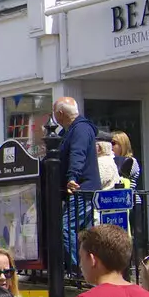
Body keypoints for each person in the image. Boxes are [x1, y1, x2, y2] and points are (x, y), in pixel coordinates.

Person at [54, 96, 100, 267]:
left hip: (81, 188)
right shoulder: (69, 131)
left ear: (60, 113)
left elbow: (77, 154)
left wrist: (72, 178)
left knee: (65, 228)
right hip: (83, 189)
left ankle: (81, 269)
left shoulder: (80, 129)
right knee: (87, 234)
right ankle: (90, 268)